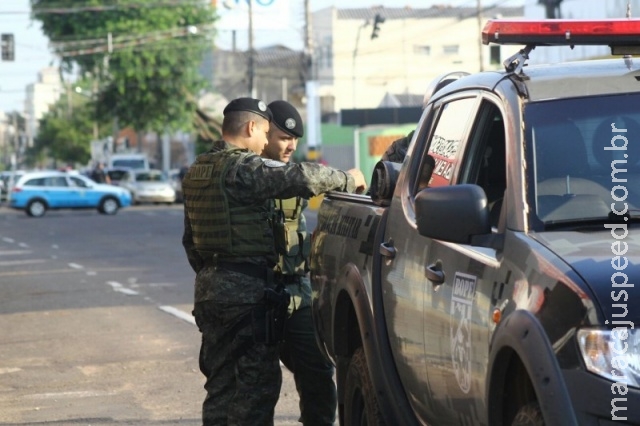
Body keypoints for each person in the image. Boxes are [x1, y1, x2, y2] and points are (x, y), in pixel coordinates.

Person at [181, 97, 366, 426]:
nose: (268, 141)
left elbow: (190, 242)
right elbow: (302, 178)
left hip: (213, 292)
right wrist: (349, 179)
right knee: (256, 389)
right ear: (252, 127)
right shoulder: (243, 167)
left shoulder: (198, 170)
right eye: (267, 133)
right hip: (249, 296)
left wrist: (217, 275)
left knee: (222, 388)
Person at [264, 100, 337, 426]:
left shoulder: (296, 176)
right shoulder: (245, 173)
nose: (290, 145)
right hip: (257, 293)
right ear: (263, 132)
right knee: (255, 386)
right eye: (283, 138)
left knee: (318, 371)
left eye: (294, 139)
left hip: (296, 290)